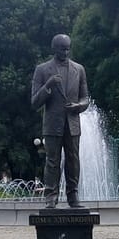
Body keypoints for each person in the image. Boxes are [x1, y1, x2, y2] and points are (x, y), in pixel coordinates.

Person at [31, 33, 90, 209]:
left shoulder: (79, 69)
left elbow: (85, 98)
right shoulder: (42, 70)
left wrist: (78, 105)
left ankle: (73, 196)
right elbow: (34, 102)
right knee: (52, 161)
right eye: (62, 49)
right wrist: (47, 85)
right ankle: (51, 197)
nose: (65, 52)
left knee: (73, 161)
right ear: (54, 48)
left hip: (72, 124)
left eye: (68, 49)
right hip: (52, 124)